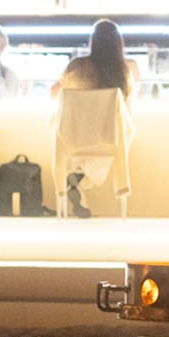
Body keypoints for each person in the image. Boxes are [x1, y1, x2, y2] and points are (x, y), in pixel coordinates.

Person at [52, 19, 135, 217]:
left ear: (92, 42)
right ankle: (82, 178)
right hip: (107, 137)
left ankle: (77, 177)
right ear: (118, 43)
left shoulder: (76, 66)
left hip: (73, 136)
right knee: (126, 133)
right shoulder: (123, 71)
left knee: (61, 130)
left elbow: (55, 92)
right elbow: (127, 105)